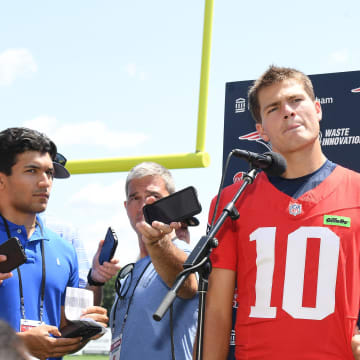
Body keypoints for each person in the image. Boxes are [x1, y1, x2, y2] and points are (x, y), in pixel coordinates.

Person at [200, 66, 360, 359]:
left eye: (296, 100)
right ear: (260, 129)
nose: (288, 111)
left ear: (317, 109)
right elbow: (218, 310)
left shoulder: (357, 191)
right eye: (273, 108)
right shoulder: (232, 201)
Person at [0, 127, 108, 360]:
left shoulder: (64, 249)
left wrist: (85, 330)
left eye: (49, 173)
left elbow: (62, 340)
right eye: (32, 171)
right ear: (1, 180)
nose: (45, 182)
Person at [109, 161, 199, 360]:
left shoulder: (182, 251)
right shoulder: (128, 274)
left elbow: (187, 284)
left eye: (154, 197)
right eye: (135, 197)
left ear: (171, 203)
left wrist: (158, 243)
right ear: (126, 206)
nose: (144, 205)